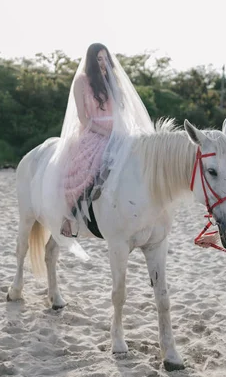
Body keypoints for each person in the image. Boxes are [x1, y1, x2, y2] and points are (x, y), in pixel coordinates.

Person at [56, 43, 154, 237]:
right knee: (88, 168)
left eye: (106, 58)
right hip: (93, 132)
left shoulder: (113, 81)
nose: (103, 63)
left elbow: (122, 112)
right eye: (99, 59)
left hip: (117, 131)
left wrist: (122, 131)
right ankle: (71, 217)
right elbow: (83, 118)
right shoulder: (82, 81)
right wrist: (105, 132)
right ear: (91, 61)